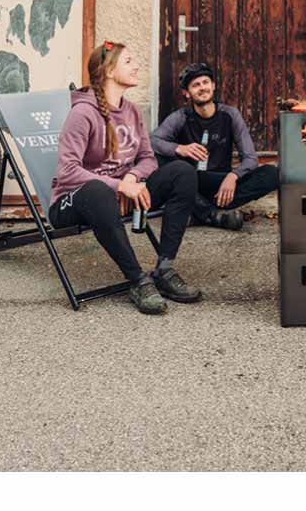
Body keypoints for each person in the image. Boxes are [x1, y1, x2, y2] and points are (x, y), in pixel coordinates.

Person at [47, 41, 202, 315]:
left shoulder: (131, 111)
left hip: (122, 194)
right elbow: (67, 170)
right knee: (97, 191)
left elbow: (148, 158)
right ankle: (138, 280)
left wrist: (131, 177)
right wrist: (119, 186)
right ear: (108, 71)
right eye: (128, 61)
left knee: (182, 172)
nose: (137, 66)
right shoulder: (83, 113)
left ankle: (164, 269)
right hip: (74, 202)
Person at [150, 63, 280, 230]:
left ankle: (196, 210)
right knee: (158, 161)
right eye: (195, 85)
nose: (202, 88)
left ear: (213, 86)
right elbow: (153, 141)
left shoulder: (230, 115)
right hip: (190, 181)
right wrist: (180, 148)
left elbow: (250, 158)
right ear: (187, 93)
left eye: (205, 82)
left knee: (271, 173)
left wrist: (233, 176)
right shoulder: (181, 117)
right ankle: (212, 215)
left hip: (220, 182)